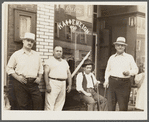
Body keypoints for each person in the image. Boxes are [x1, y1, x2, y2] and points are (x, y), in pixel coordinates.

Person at [6, 32, 43, 110]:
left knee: (38, 103)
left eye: (32, 41)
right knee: (22, 105)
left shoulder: (37, 55)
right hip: (20, 83)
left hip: (33, 83)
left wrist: (39, 78)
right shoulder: (17, 54)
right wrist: (18, 77)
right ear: (23, 41)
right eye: (28, 40)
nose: (30, 43)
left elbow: (41, 69)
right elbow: (9, 68)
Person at [103, 37, 138, 111]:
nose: (120, 47)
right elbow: (108, 70)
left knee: (123, 107)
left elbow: (136, 70)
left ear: (125, 47)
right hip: (112, 83)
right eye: (118, 45)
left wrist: (129, 72)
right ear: (115, 46)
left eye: (122, 45)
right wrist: (106, 81)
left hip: (124, 84)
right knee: (110, 107)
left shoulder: (129, 57)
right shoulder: (112, 58)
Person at [44, 46, 72, 111]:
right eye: (57, 51)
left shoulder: (64, 62)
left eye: (60, 51)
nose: (59, 53)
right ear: (53, 52)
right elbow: (46, 73)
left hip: (63, 83)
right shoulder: (49, 61)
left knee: (60, 104)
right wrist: (47, 85)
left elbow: (69, 74)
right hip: (53, 82)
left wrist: (70, 85)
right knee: (50, 104)